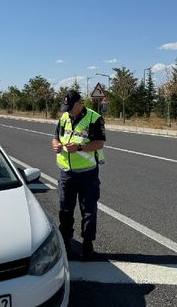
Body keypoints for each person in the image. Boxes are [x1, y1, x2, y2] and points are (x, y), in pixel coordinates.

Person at [51, 90, 106, 260]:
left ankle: (87, 245)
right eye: (65, 107)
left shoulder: (94, 118)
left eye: (69, 107)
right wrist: (56, 145)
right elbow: (55, 138)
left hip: (87, 174)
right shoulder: (64, 118)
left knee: (88, 211)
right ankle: (66, 244)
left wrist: (79, 148)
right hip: (66, 173)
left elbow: (99, 143)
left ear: (79, 104)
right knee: (65, 211)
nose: (66, 110)